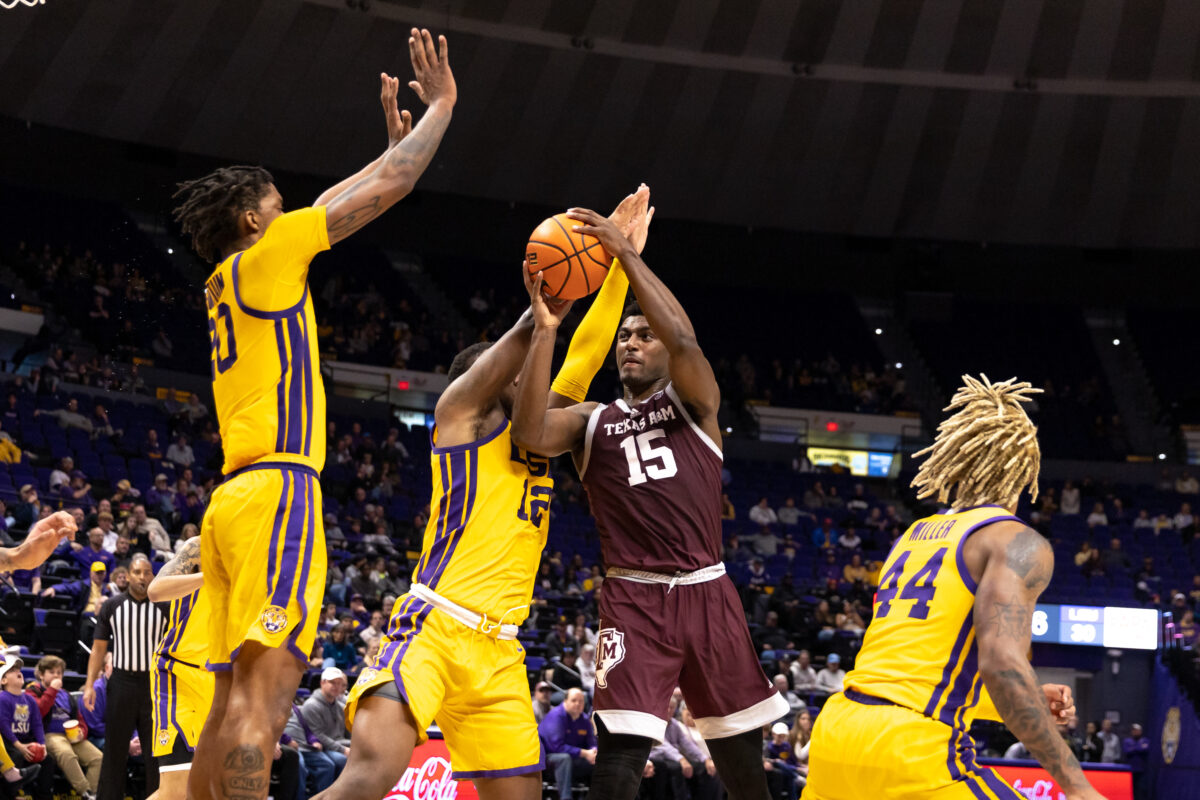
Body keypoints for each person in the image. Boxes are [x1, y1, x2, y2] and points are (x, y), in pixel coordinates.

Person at [170, 24, 457, 800]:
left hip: (230, 501)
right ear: (256, 221)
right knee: (265, 702)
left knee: (228, 703)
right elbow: (388, 188)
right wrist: (442, 110)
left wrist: (384, 148)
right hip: (279, 493)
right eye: (278, 204)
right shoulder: (269, 254)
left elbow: (336, 203)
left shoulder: (231, 275)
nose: (291, 211)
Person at [316, 191, 651, 800]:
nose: (535, 377)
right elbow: (533, 341)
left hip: (500, 654)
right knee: (366, 781)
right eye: (518, 372)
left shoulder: (540, 421)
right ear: (493, 377)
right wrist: (549, 302)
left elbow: (589, 350)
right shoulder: (460, 416)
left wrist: (621, 264)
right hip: (433, 630)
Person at [510, 200, 786, 800]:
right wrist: (546, 332)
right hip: (634, 598)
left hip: (707, 591)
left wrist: (628, 256)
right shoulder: (592, 420)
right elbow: (529, 431)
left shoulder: (695, 406)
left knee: (742, 766)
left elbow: (685, 338)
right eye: (625, 336)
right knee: (618, 766)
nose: (630, 343)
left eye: (644, 335)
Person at [802, 375, 1105, 800]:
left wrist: (1029, 699)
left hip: (836, 733)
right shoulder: (1016, 541)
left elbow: (912, 666)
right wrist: (1078, 787)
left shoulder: (913, 535)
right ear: (1024, 471)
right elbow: (1001, 664)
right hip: (909, 746)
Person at [84, 555, 169, 800]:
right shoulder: (112, 606)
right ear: (128, 575)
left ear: (153, 576)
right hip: (121, 683)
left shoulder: (165, 607)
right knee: (114, 752)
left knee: (156, 753)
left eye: (147, 572)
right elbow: (99, 648)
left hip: (154, 686)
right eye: (137, 572)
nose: (142, 577)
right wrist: (89, 685)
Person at [144, 535, 211, 800]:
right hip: (176, 673)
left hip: (217, 679)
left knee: (204, 788)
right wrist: (210, 576)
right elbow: (156, 590)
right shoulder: (199, 545)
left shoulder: (256, 556)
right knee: (175, 792)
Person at [26, 656, 101, 800]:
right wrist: (52, 690)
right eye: (52, 672)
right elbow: (38, 712)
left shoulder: (65, 694)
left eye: (59, 673)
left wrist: (82, 732)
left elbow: (79, 719)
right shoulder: (33, 690)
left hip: (71, 736)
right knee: (67, 754)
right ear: (41, 674)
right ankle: (85, 792)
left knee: (98, 758)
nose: (56, 675)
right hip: (48, 734)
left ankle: (92, 793)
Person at [0, 657, 56, 800]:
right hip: (10, 743)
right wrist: (19, 746)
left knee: (48, 760)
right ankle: (13, 794)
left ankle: (44, 795)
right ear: (3, 681)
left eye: (19, 670)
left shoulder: (30, 700)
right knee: (17, 756)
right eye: (12, 670)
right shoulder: (2, 698)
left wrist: (42, 745)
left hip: (27, 742)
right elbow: (3, 724)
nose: (18, 672)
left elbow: (37, 724)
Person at [540, 689, 597, 800]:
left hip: (574, 758)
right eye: (574, 700)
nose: (578, 704)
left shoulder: (584, 719)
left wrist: (594, 751)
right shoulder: (555, 716)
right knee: (564, 759)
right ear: (565, 701)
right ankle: (565, 797)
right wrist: (584, 753)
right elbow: (556, 747)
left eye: (581, 701)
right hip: (549, 759)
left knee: (598, 761)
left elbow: (591, 743)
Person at [1121, 723, 1149, 800]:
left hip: (1141, 769)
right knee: (1130, 789)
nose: (1135, 732)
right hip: (1130, 769)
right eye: (1134, 730)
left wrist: (1133, 748)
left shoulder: (1145, 740)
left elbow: (1145, 749)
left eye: (1137, 730)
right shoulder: (1127, 741)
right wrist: (1139, 747)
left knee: (1141, 789)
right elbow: (1127, 751)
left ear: (1140, 731)